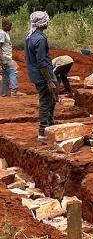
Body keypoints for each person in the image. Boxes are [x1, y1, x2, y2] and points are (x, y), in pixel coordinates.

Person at [24, 11, 57, 141]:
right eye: (46, 21)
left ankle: (51, 124)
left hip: (35, 74)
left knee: (50, 99)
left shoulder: (29, 36)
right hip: (43, 75)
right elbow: (42, 63)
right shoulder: (40, 39)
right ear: (42, 23)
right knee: (45, 101)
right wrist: (49, 81)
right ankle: (43, 131)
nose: (48, 23)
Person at [0, 19, 19, 97]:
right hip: (5, 57)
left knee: (5, 75)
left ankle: (3, 94)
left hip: (6, 57)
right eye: (9, 26)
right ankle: (15, 91)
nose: (10, 27)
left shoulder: (5, 33)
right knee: (12, 72)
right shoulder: (1, 33)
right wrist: (3, 59)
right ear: (4, 25)